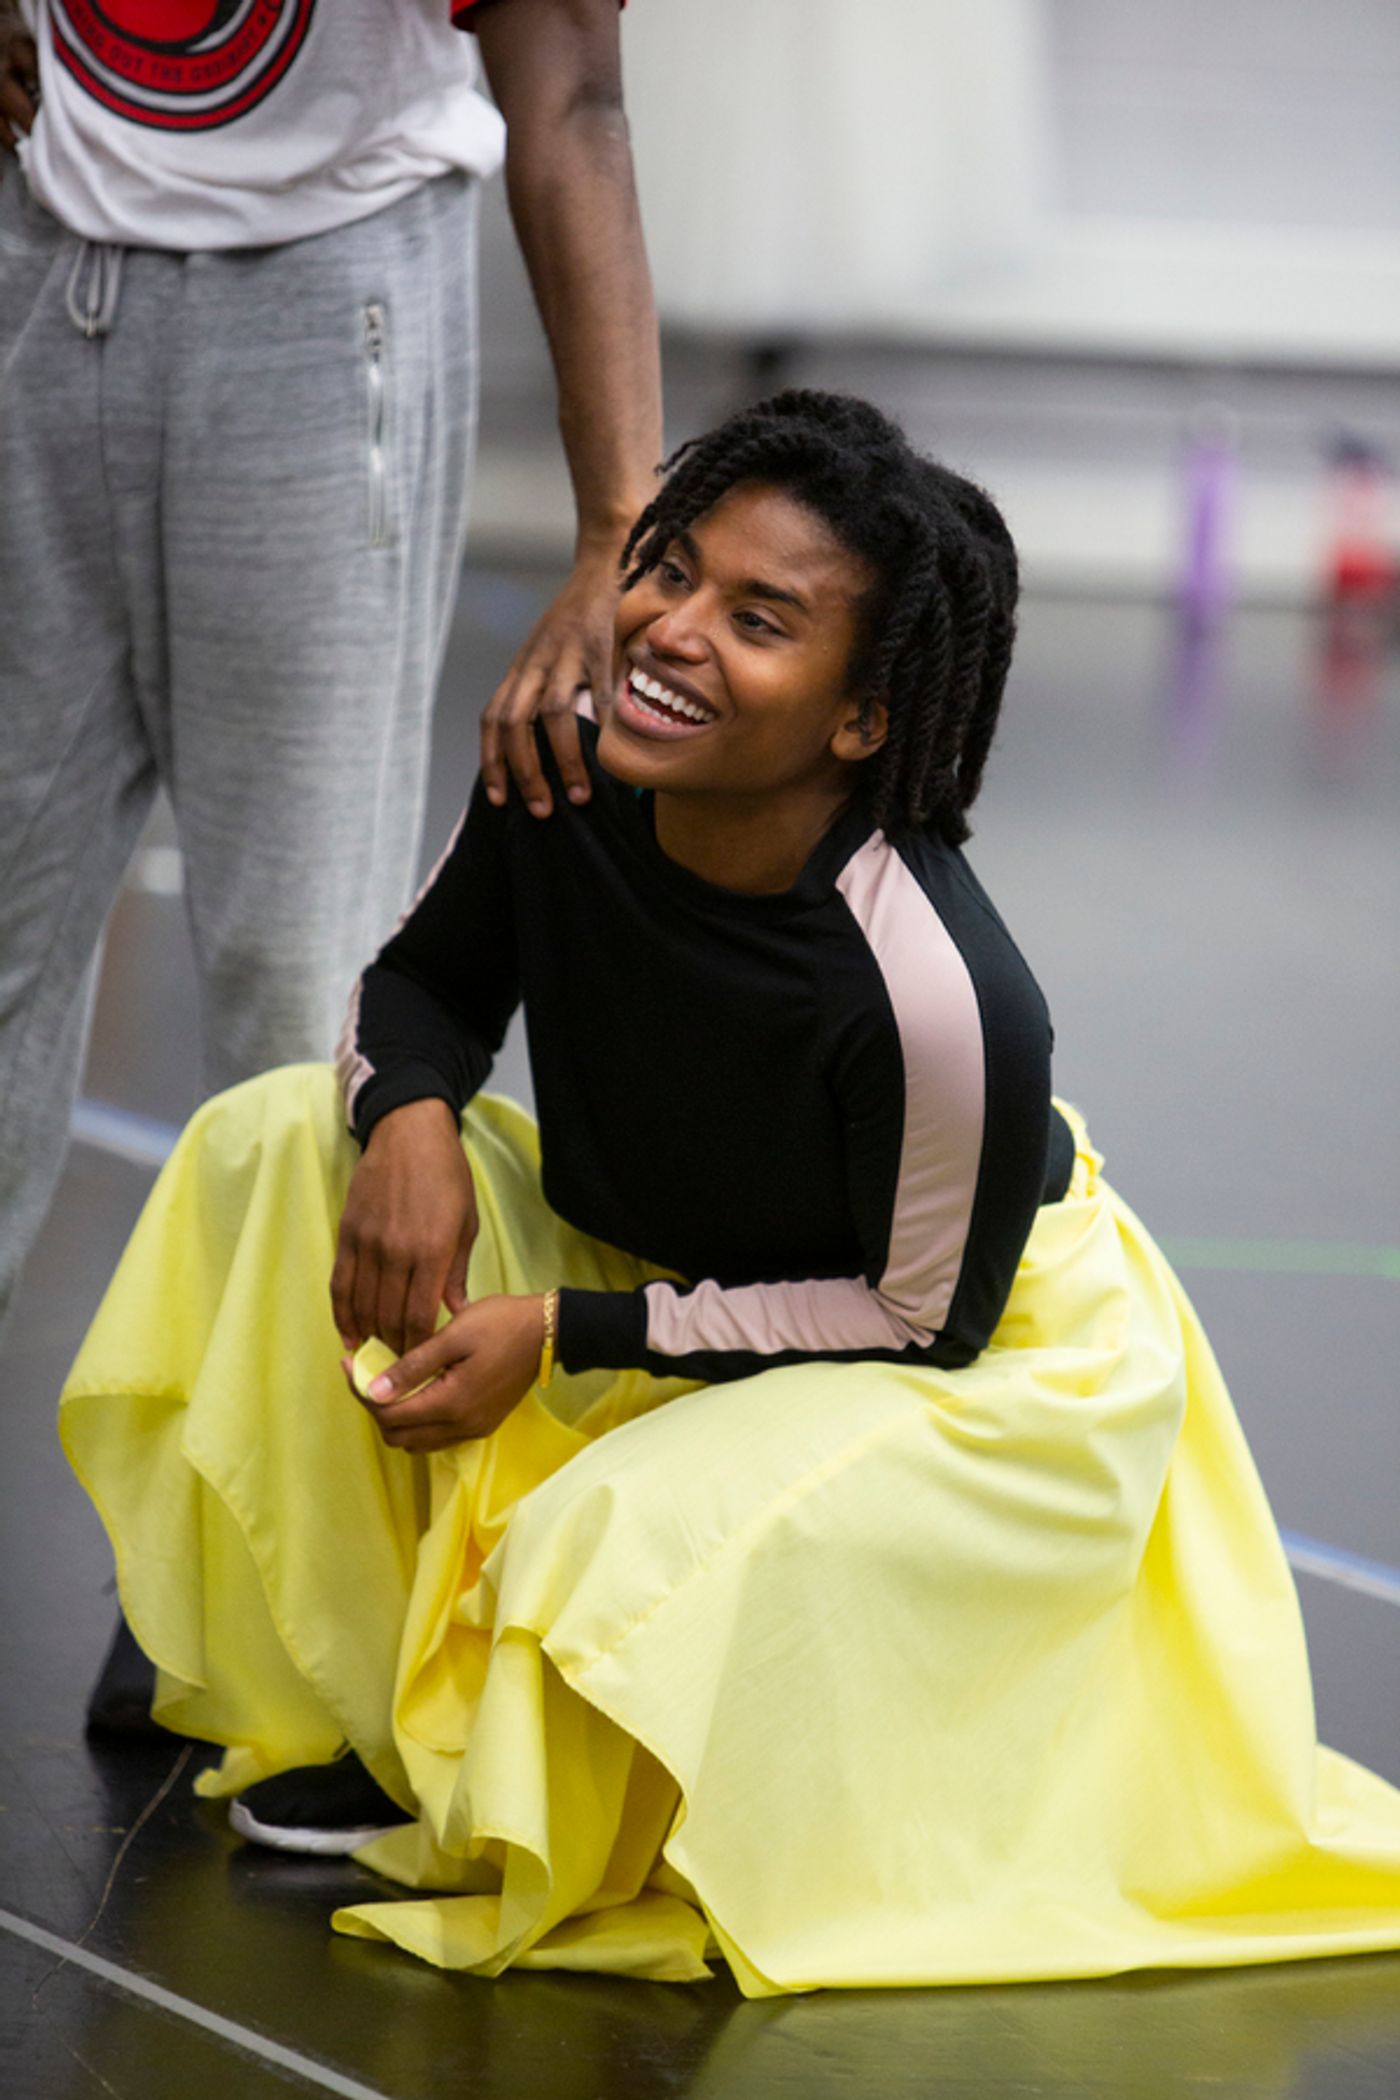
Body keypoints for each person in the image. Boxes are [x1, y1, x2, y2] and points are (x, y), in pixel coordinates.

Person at [59, 393, 1400, 1994]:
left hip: (970, 1376)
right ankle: (369, 1716)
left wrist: (568, 1328)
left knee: (608, 1535)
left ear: (861, 717)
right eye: (672, 571)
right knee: (280, 1137)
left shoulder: (939, 993)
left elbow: (919, 1316)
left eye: (756, 621)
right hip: (669, 1271)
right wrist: (410, 1117)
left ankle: (569, 1793)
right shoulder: (559, 760)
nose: (669, 630)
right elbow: (417, 987)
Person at [0, 0, 660, 1341]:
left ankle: (268, 1527)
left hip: (323, 299)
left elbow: (573, 93)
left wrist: (616, 530)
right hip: (35, 250)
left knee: (298, 1002)